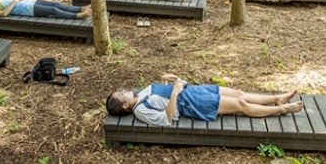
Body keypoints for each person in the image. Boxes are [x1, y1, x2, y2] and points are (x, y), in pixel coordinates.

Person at [106, 73, 304, 126]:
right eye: (121, 93)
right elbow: (166, 119)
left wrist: (164, 81)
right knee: (240, 106)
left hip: (193, 91)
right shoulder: (140, 110)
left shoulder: (140, 93)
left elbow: (160, 97)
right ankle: (281, 109)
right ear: (124, 105)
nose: (124, 90)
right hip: (191, 104)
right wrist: (174, 93)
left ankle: (277, 98)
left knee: (238, 94)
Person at [0, 0, 92, 19]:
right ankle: (78, 16)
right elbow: (4, 14)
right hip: (26, 10)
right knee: (53, 11)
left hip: (29, 2)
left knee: (56, 4)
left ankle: (81, 8)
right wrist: (15, 1)